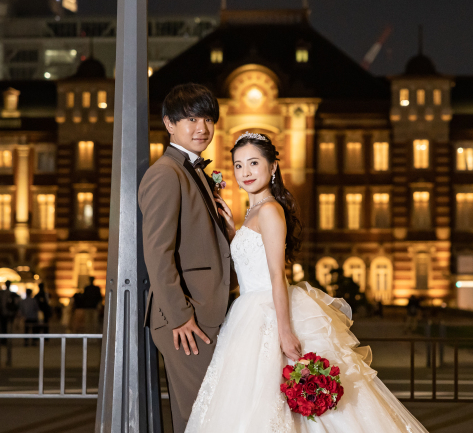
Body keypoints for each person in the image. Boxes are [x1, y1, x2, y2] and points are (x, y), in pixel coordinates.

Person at [184, 132, 429, 432]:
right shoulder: (254, 213)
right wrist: (234, 233)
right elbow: (253, 262)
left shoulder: (271, 210)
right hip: (249, 312)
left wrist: (285, 332)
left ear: (272, 167)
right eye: (237, 165)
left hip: (267, 311)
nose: (244, 172)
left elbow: (276, 275)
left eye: (253, 163)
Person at [138, 83, 232, 433]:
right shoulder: (166, 174)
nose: (201, 128)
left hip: (202, 314)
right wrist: (180, 317)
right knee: (203, 416)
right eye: (191, 118)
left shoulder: (194, 172)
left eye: (207, 118)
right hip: (185, 319)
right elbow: (158, 253)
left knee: (202, 416)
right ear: (169, 124)